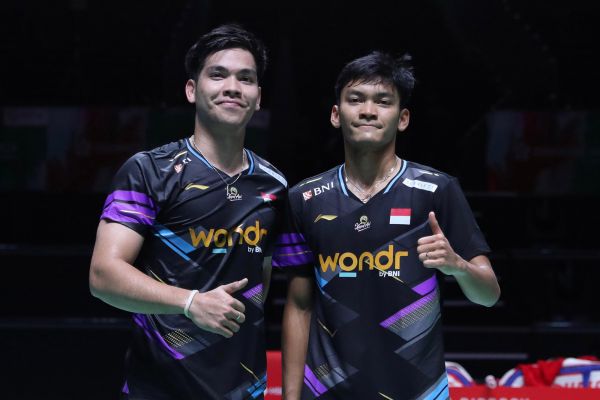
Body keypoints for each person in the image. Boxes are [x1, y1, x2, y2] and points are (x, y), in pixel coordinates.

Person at [276, 52, 500, 399]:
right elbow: (300, 305)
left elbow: (488, 295)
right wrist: (291, 396)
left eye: (383, 102)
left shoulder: (436, 191)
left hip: (417, 391)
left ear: (403, 118)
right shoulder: (304, 199)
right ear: (336, 114)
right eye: (355, 99)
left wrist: (458, 266)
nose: (368, 111)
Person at [89, 24, 287, 399]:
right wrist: (190, 302)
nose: (233, 87)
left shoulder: (274, 185)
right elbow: (103, 275)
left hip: (243, 390)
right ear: (192, 90)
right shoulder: (149, 171)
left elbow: (261, 282)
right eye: (218, 75)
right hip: (160, 388)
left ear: (258, 97)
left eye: (246, 78)